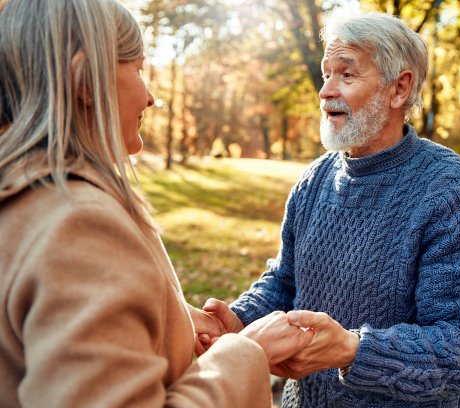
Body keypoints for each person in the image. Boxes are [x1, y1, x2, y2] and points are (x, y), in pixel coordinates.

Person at [0, 0, 314, 407]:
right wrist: (247, 354)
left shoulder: (23, 201)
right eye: (138, 69)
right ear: (84, 80)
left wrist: (176, 318)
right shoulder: (80, 225)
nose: (150, 97)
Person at [199, 9, 460, 408]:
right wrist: (238, 318)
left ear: (399, 89)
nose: (326, 91)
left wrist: (352, 349)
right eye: (326, 74)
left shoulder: (455, 193)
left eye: (346, 74)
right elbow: (285, 282)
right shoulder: (314, 180)